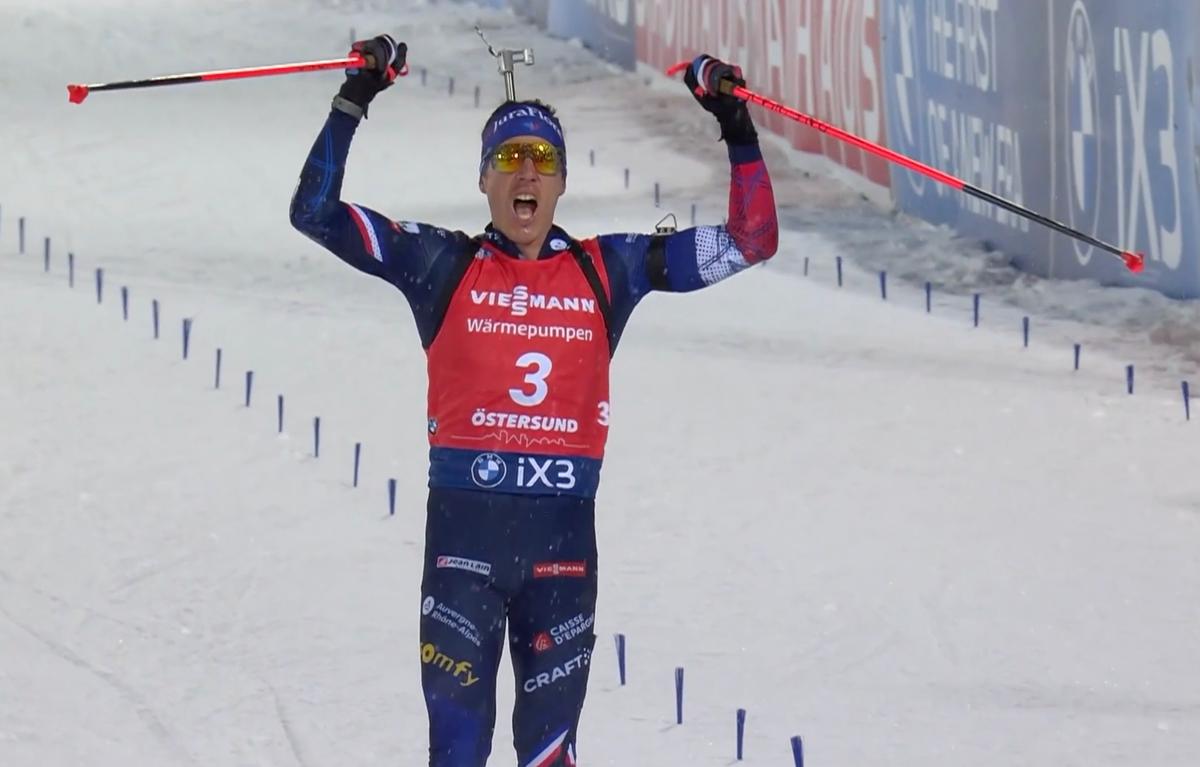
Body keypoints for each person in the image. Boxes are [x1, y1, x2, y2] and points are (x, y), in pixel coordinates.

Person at [290, 34, 778, 767]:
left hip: (562, 561)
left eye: (543, 160)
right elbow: (315, 212)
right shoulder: (441, 263)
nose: (527, 172)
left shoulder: (607, 269)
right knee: (456, 752)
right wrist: (353, 99)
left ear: (560, 182)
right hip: (464, 554)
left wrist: (735, 129)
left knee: (551, 756)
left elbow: (753, 240)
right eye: (510, 158)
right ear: (484, 179)